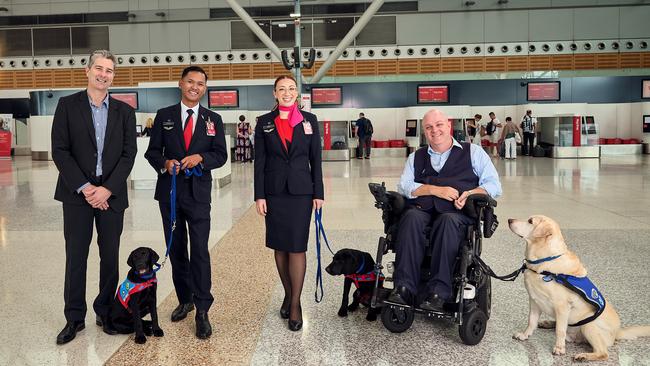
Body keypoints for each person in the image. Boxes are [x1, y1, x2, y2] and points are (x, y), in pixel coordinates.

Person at [51, 49, 137, 345]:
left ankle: (105, 311)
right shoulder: (67, 106)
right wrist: (87, 188)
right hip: (77, 196)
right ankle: (74, 318)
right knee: (76, 256)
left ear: (114, 76)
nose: (103, 75)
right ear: (87, 71)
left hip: (111, 196)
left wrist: (107, 189)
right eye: (98, 68)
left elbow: (129, 155)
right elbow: (60, 150)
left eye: (109, 70)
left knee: (109, 257)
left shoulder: (124, 112)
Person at [144, 66, 228, 339]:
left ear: (205, 88)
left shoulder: (212, 118)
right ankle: (185, 299)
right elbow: (152, 151)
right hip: (170, 193)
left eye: (200, 83)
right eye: (190, 81)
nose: (195, 86)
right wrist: (165, 163)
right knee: (178, 248)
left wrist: (201, 158)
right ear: (181, 84)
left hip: (199, 195)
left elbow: (221, 155)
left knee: (200, 250)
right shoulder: (164, 116)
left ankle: (203, 308)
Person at [388, 109, 501, 311]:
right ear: (424, 131)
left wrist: (470, 193)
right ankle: (403, 288)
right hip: (422, 209)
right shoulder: (416, 157)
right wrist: (433, 190)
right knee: (410, 217)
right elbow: (404, 186)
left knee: (447, 221)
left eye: (439, 125)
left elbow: (493, 185)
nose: (435, 130)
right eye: (429, 127)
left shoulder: (473, 152)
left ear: (449, 125)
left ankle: (439, 291)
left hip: (456, 214)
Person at [254, 75, 324, 331]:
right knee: (280, 247)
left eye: (291, 88)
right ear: (274, 93)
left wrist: (319, 193)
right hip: (274, 193)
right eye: (282, 89)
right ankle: (288, 292)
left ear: (297, 93)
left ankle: (295, 304)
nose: (287, 93)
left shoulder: (309, 121)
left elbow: (315, 159)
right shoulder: (263, 123)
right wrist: (259, 195)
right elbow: (259, 162)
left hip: (301, 193)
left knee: (296, 247)